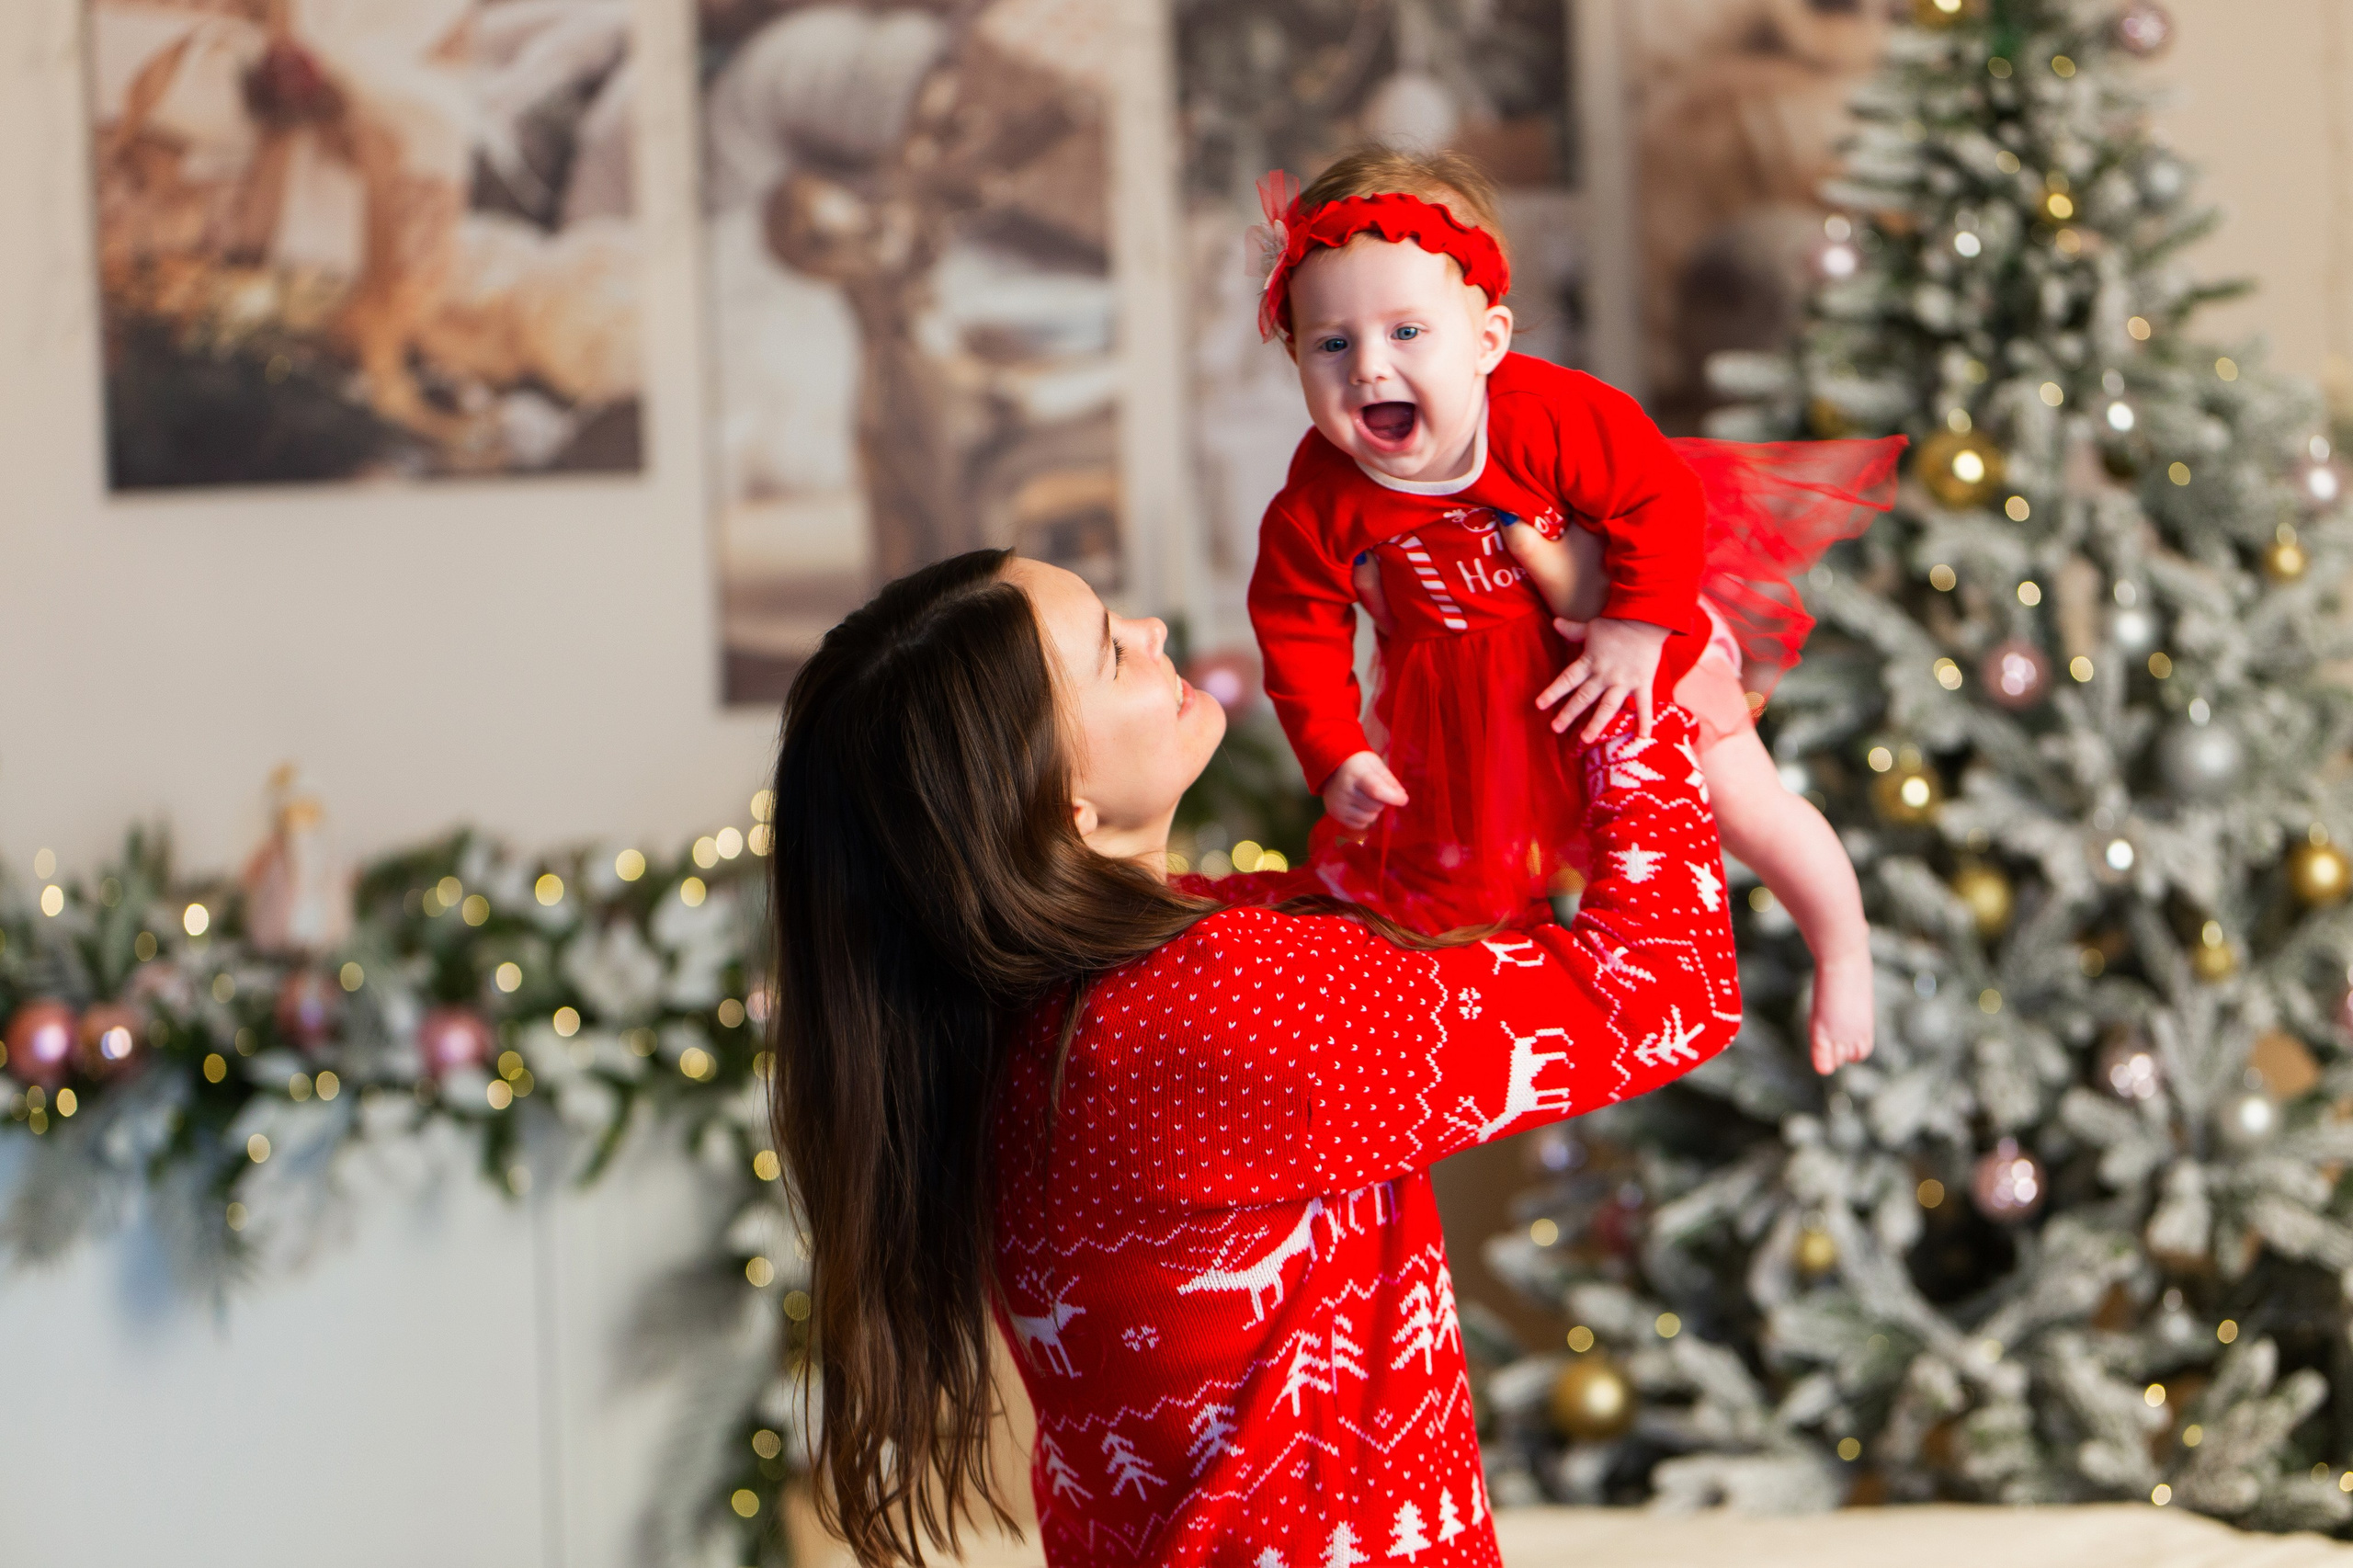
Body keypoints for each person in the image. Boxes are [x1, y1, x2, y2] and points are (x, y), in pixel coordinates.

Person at [768, 549, 1740, 1567]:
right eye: (1109, 652)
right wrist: (1641, 690)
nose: (1150, 634)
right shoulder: (1205, 1003)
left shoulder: (1039, 1007)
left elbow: (1418, 907)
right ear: (1063, 807)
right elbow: (1668, 990)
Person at [1245, 147, 1901, 1073]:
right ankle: (1468, 1048)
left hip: (1612, 639)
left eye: (1405, 332)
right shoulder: (1319, 498)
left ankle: (1843, 946)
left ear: (1486, 340)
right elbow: (1295, 621)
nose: (1367, 369)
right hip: (1470, 708)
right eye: (1331, 343)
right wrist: (1333, 747)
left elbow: (1660, 500)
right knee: (1445, 883)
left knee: (1746, 803)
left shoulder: (1545, 416)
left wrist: (1637, 627)